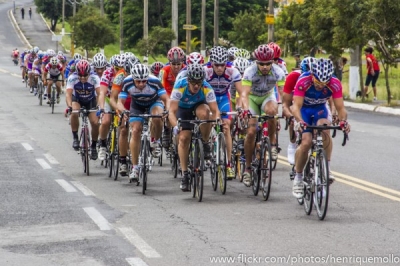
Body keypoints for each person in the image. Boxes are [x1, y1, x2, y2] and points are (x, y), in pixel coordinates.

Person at [291, 58, 351, 198]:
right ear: (312, 75)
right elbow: (296, 107)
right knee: (306, 142)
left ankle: (327, 168)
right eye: (317, 82)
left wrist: (343, 122)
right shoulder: (303, 81)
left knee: (325, 130)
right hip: (304, 110)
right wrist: (299, 121)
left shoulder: (334, 83)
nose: (320, 86)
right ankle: (298, 178)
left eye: (324, 83)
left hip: (319, 109)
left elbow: (341, 108)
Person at [239, 44, 285, 187]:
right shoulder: (249, 72)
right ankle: (247, 167)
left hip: (267, 96)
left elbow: (283, 94)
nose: (265, 67)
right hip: (252, 99)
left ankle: (271, 144)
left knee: (272, 112)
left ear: (273, 62)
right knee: (251, 132)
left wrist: (285, 108)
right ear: (256, 62)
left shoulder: (278, 72)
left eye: (268, 64)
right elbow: (245, 94)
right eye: (261, 64)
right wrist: (246, 110)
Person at [169, 64, 220, 191]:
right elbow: (172, 111)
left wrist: (216, 121)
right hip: (183, 109)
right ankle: (185, 174)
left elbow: (215, 110)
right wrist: (175, 126)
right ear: (188, 80)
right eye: (193, 83)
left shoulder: (206, 87)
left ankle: (205, 141)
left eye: (199, 82)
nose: (196, 86)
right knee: (184, 138)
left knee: (206, 114)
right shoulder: (180, 85)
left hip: (199, 106)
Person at [117, 64, 169, 182]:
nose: (141, 84)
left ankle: (156, 141)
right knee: (135, 131)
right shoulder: (127, 82)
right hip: (137, 105)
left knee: (157, 117)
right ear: (133, 78)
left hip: (154, 102)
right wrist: (123, 110)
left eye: (144, 81)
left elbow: (166, 99)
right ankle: (135, 168)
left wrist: (167, 110)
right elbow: (120, 101)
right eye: (138, 81)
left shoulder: (154, 81)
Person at [204, 46, 242, 180]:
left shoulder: (233, 71)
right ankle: (206, 142)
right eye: (216, 65)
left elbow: (241, 92)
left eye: (222, 65)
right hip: (208, 98)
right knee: (210, 118)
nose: (220, 68)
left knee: (226, 126)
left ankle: (228, 164)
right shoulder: (205, 71)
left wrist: (241, 106)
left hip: (223, 98)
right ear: (211, 63)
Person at [66, 60, 101, 160]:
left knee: (95, 123)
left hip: (90, 100)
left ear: (89, 73)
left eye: (85, 75)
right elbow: (68, 94)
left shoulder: (94, 78)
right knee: (74, 113)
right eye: (80, 76)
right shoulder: (72, 78)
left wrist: (99, 106)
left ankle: (94, 146)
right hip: (77, 99)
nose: (82, 78)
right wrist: (69, 106)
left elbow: (99, 94)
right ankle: (75, 138)